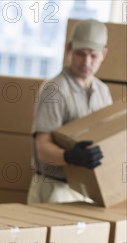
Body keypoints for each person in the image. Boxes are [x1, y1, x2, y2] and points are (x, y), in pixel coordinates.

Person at [27, 18, 113, 204]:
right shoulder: (54, 90)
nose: (86, 61)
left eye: (93, 56)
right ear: (69, 49)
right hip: (54, 189)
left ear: (103, 54)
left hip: (89, 191)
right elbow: (42, 149)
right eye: (81, 54)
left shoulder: (103, 92)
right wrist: (70, 156)